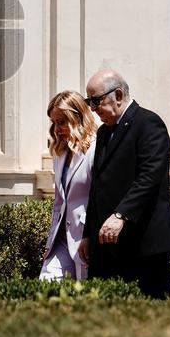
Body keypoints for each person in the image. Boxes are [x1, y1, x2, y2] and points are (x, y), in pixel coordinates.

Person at [82, 69, 170, 298]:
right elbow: (97, 186)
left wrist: (121, 215)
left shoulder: (148, 123)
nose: (92, 109)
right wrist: (88, 234)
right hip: (107, 244)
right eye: (89, 102)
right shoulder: (104, 132)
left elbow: (150, 176)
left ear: (118, 95)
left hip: (143, 243)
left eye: (96, 101)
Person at [40, 90, 97, 281]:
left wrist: (90, 235)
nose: (56, 129)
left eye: (61, 122)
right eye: (54, 122)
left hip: (84, 239)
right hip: (61, 240)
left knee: (87, 294)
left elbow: (99, 198)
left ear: (77, 118)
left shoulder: (96, 149)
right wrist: (50, 242)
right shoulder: (59, 152)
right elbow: (59, 203)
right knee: (47, 286)